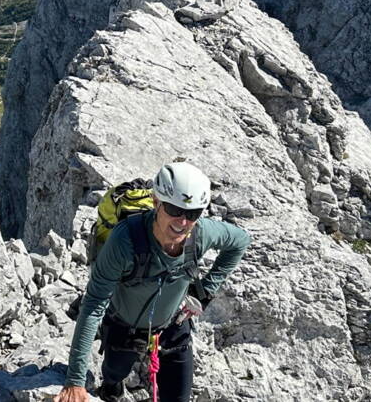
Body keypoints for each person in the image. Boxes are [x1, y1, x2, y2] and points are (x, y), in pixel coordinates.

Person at [54, 161, 251, 402]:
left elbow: (240, 241)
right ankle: (111, 387)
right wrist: (75, 381)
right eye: (174, 209)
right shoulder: (125, 240)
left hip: (174, 326)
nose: (182, 221)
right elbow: (95, 303)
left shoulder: (201, 234)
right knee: (115, 371)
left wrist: (204, 293)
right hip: (124, 326)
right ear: (156, 202)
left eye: (192, 213)